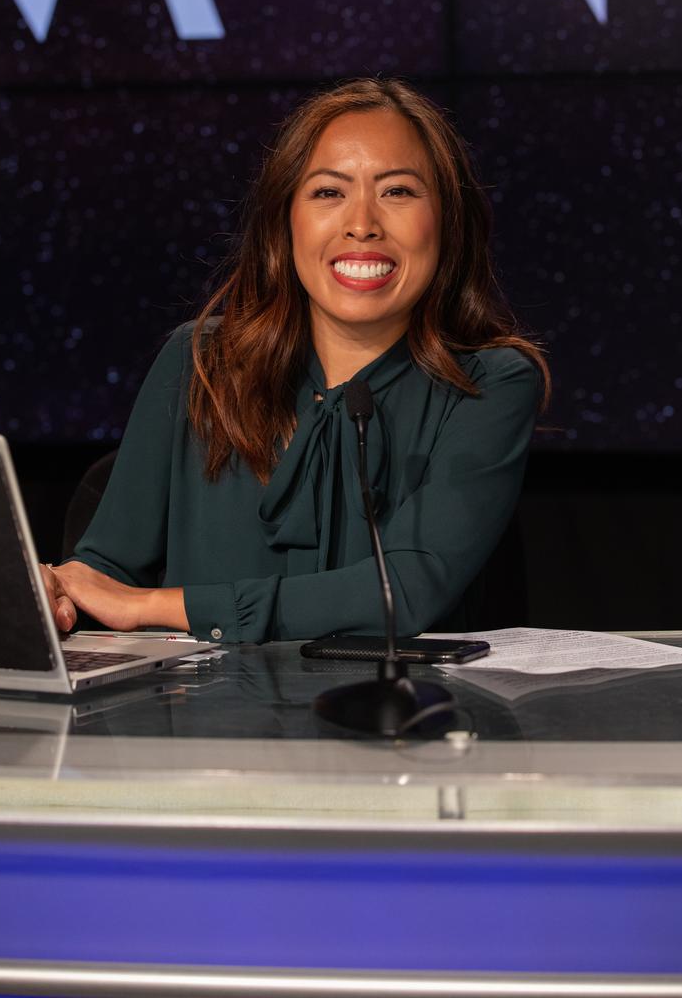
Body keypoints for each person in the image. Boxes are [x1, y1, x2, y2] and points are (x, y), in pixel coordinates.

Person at [43, 78, 548, 643]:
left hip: (398, 721)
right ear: (286, 222)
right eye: (328, 193)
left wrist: (153, 606)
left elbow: (401, 593)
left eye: (398, 192)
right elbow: (105, 570)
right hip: (196, 727)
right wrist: (57, 587)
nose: (362, 223)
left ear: (448, 223)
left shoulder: (490, 384)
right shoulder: (199, 359)